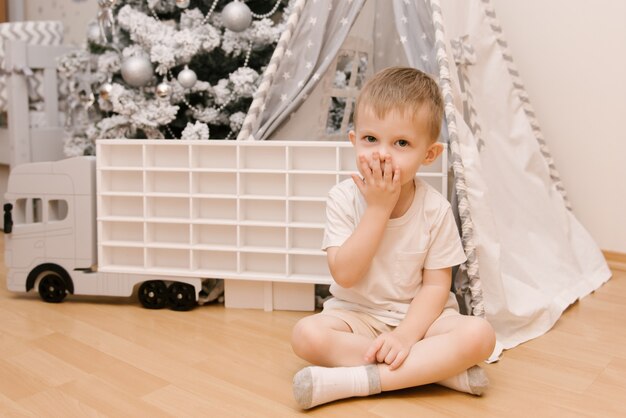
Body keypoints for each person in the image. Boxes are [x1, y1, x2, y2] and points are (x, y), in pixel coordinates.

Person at [290, 67, 496, 409]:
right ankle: (434, 370)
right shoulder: (343, 198)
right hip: (356, 315)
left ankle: (360, 380)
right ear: (355, 141)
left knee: (480, 335)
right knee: (305, 335)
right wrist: (377, 210)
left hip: (422, 321)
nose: (382, 154)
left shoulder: (435, 209)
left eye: (401, 143)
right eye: (371, 139)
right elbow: (345, 275)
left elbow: (435, 288)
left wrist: (404, 336)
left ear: (428, 155)